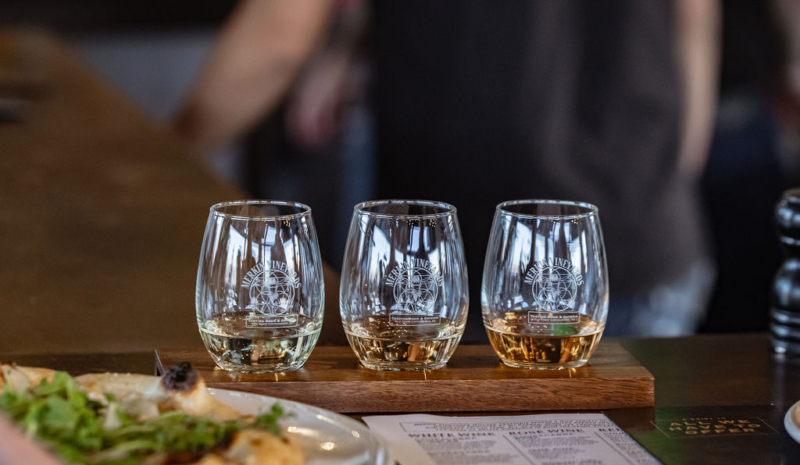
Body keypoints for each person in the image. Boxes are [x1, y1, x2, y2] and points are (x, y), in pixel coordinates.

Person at [174, 0, 721, 338]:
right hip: (644, 236)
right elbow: (695, 17)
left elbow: (280, 38)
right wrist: (669, 173)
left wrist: (166, 151)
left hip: (460, 261)